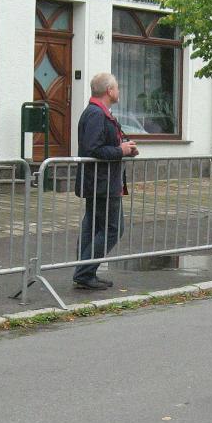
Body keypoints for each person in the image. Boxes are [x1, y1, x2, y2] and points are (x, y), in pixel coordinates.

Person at [73, 73, 139, 290]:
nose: (119, 91)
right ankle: (84, 272)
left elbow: (101, 145)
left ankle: (85, 272)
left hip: (101, 181)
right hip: (102, 182)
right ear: (109, 91)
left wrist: (125, 148)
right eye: (117, 87)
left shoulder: (98, 112)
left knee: (93, 227)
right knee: (113, 228)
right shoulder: (96, 114)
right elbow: (93, 149)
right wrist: (121, 150)